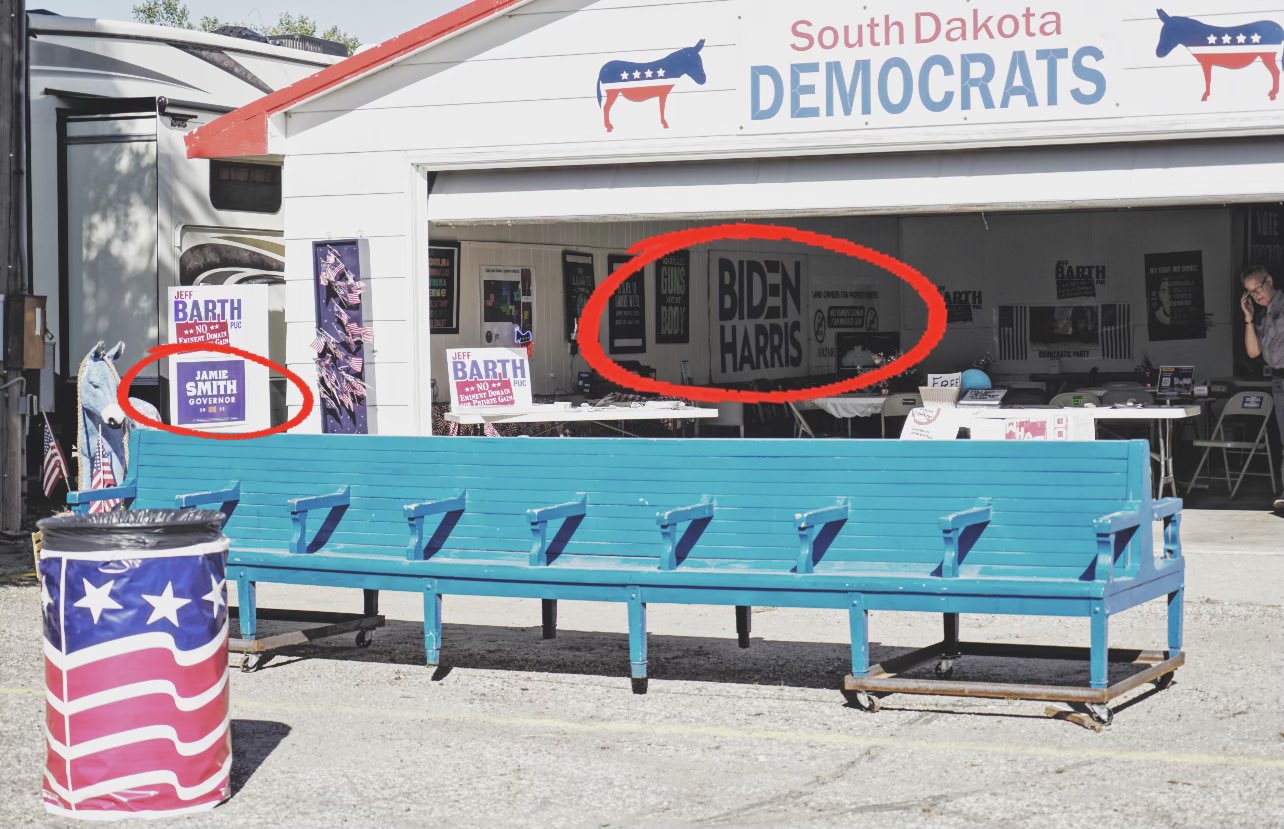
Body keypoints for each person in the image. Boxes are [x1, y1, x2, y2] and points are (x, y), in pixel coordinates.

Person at [1241, 266, 1284, 511]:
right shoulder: (1260, 315)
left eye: (1258, 288)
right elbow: (1253, 351)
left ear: (1270, 281)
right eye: (1250, 292)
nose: (1256, 295)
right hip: (1278, 379)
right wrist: (1248, 318)